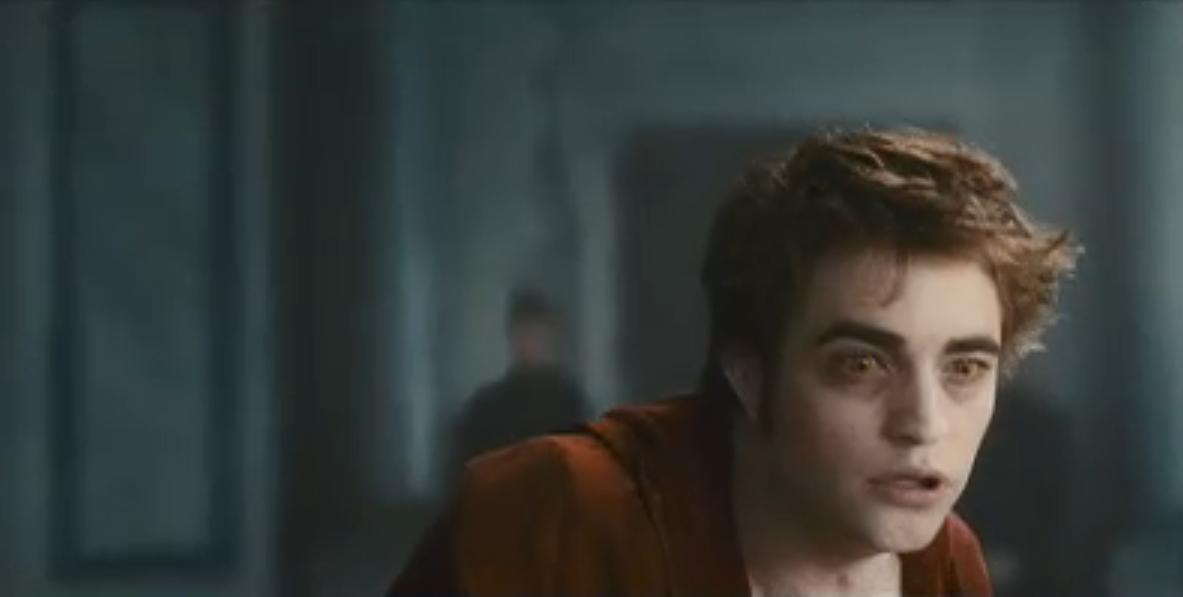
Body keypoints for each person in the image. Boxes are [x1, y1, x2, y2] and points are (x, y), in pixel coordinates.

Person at [389, 128, 1078, 595]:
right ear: (749, 374)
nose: (924, 424)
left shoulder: (945, 561)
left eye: (964, 369)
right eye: (862, 365)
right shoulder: (555, 513)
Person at [446, 289, 589, 483]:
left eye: (538, 334)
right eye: (524, 333)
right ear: (512, 337)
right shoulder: (487, 409)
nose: (531, 343)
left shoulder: (570, 404)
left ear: (552, 338)